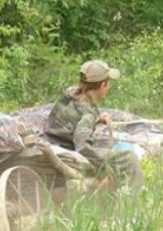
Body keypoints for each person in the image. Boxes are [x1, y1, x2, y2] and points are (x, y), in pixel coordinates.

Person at [45, 59, 144, 188]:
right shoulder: (87, 115)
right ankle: (133, 197)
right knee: (129, 157)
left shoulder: (70, 93)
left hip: (54, 137)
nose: (108, 87)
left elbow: (74, 115)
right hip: (65, 146)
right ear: (103, 85)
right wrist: (104, 164)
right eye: (108, 84)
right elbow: (82, 147)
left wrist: (97, 119)